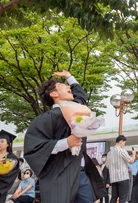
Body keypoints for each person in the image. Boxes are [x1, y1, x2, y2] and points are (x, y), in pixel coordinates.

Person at [24, 71, 106, 203]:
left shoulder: (77, 111)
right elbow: (35, 148)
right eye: (63, 86)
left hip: (81, 174)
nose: (69, 87)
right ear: (54, 94)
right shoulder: (47, 118)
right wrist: (66, 142)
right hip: (59, 175)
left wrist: (69, 76)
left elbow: (81, 96)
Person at [107, 135, 136, 203]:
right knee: (123, 198)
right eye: (124, 143)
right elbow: (131, 161)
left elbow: (107, 166)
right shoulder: (121, 151)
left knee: (113, 198)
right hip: (123, 178)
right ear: (121, 142)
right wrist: (134, 154)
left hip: (113, 179)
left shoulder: (109, 153)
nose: (124, 145)